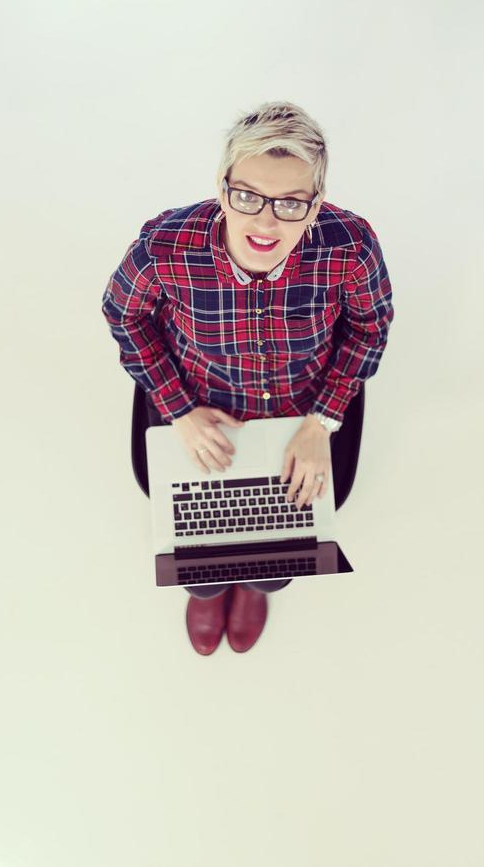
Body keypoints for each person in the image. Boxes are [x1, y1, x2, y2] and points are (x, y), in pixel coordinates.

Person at [101, 101, 394, 656]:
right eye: (247, 196)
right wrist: (179, 409)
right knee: (197, 552)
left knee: (279, 553)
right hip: (197, 408)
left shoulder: (350, 245)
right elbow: (124, 314)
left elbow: (370, 327)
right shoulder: (165, 246)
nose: (265, 221)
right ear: (222, 186)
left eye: (289, 204)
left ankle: (259, 585)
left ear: (315, 206)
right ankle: (208, 591)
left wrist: (321, 423)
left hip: (302, 415)